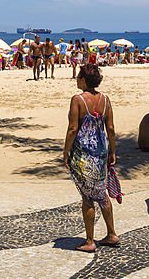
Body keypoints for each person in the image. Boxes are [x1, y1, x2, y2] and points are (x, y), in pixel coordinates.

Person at [63, 63, 118, 252]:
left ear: (84, 80)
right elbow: (110, 128)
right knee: (102, 193)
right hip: (101, 152)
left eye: (79, 76)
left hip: (83, 154)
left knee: (87, 197)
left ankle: (89, 241)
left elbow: (72, 129)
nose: (77, 79)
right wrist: (112, 151)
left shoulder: (77, 99)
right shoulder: (105, 100)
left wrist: (65, 152)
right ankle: (111, 233)